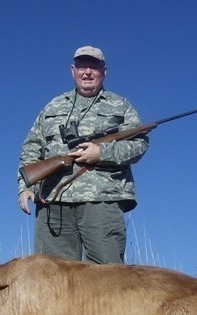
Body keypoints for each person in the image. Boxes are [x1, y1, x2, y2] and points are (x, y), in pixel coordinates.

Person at [17, 46, 148, 264]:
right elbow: (32, 146)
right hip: (53, 201)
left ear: (104, 71)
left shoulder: (120, 105)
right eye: (82, 66)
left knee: (106, 276)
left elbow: (139, 143)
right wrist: (25, 187)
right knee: (52, 277)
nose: (87, 72)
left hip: (102, 200)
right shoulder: (53, 106)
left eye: (93, 66)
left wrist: (101, 152)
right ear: (72, 70)